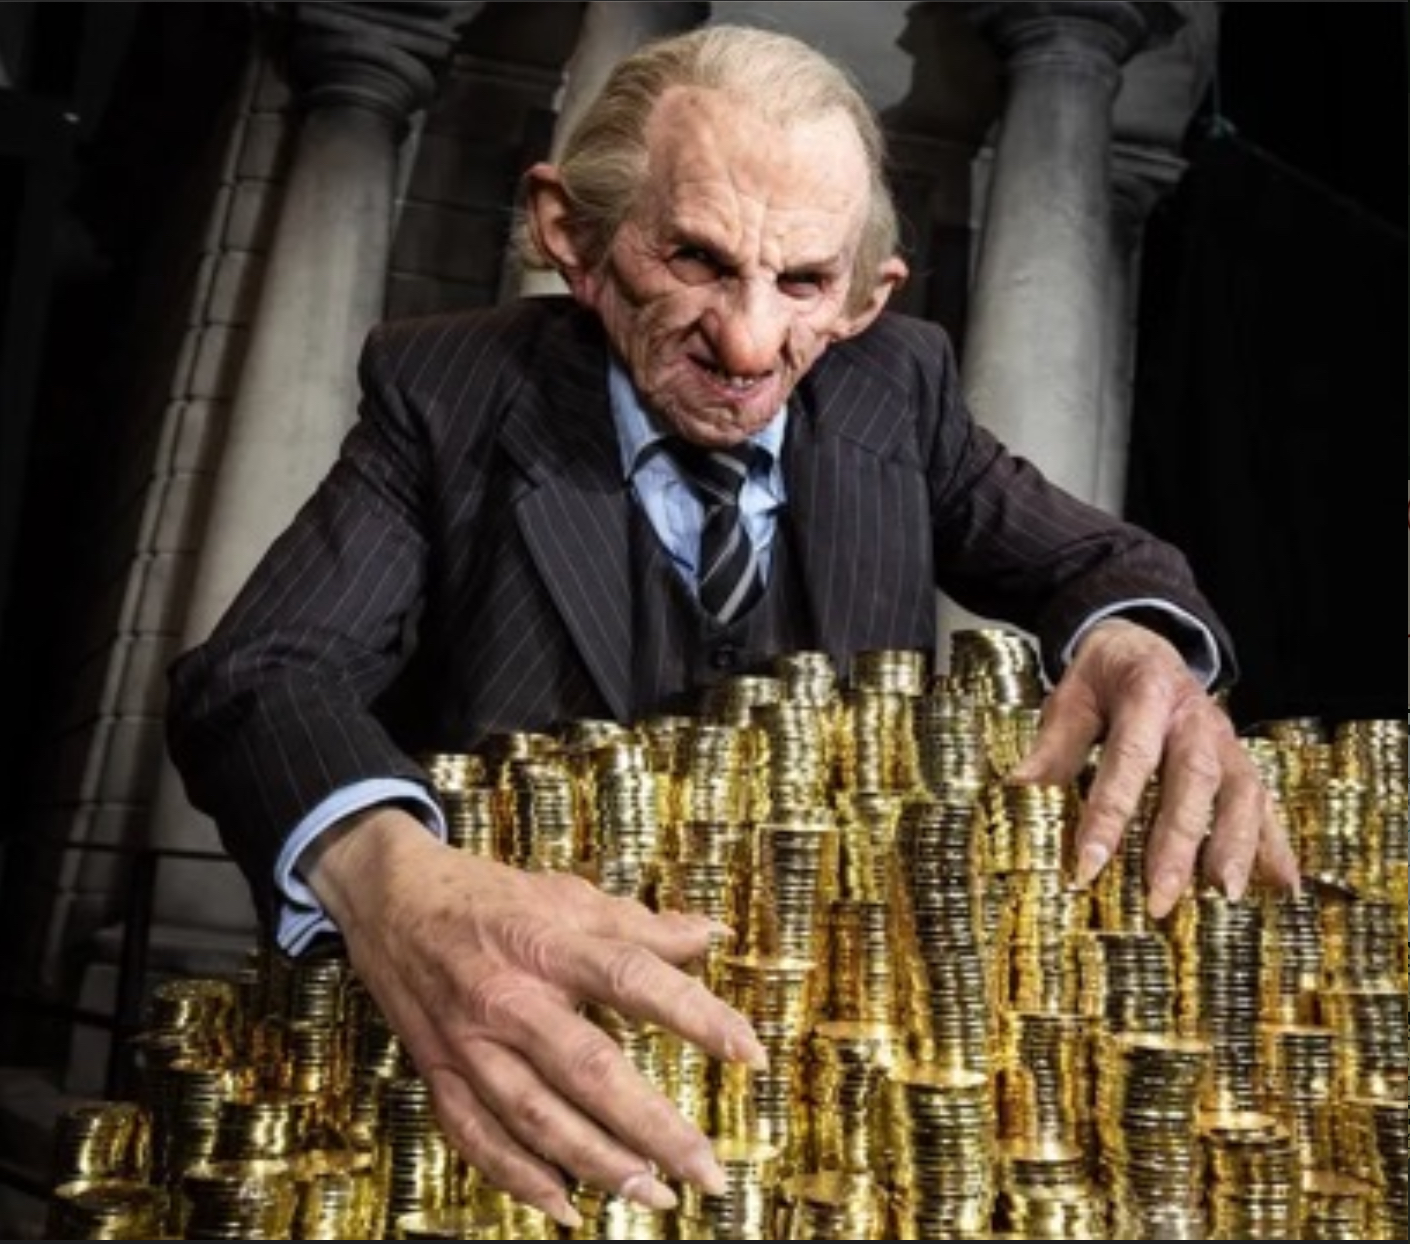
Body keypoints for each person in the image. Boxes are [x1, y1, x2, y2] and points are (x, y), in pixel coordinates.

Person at [165, 22, 1300, 1229]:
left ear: (866, 295)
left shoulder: (896, 391)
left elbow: (1099, 560)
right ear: (572, 236)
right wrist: (385, 871)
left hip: (818, 1079)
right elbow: (259, 674)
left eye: (804, 282)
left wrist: (1135, 642)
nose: (750, 345)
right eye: (698, 260)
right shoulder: (446, 393)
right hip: (528, 1066)